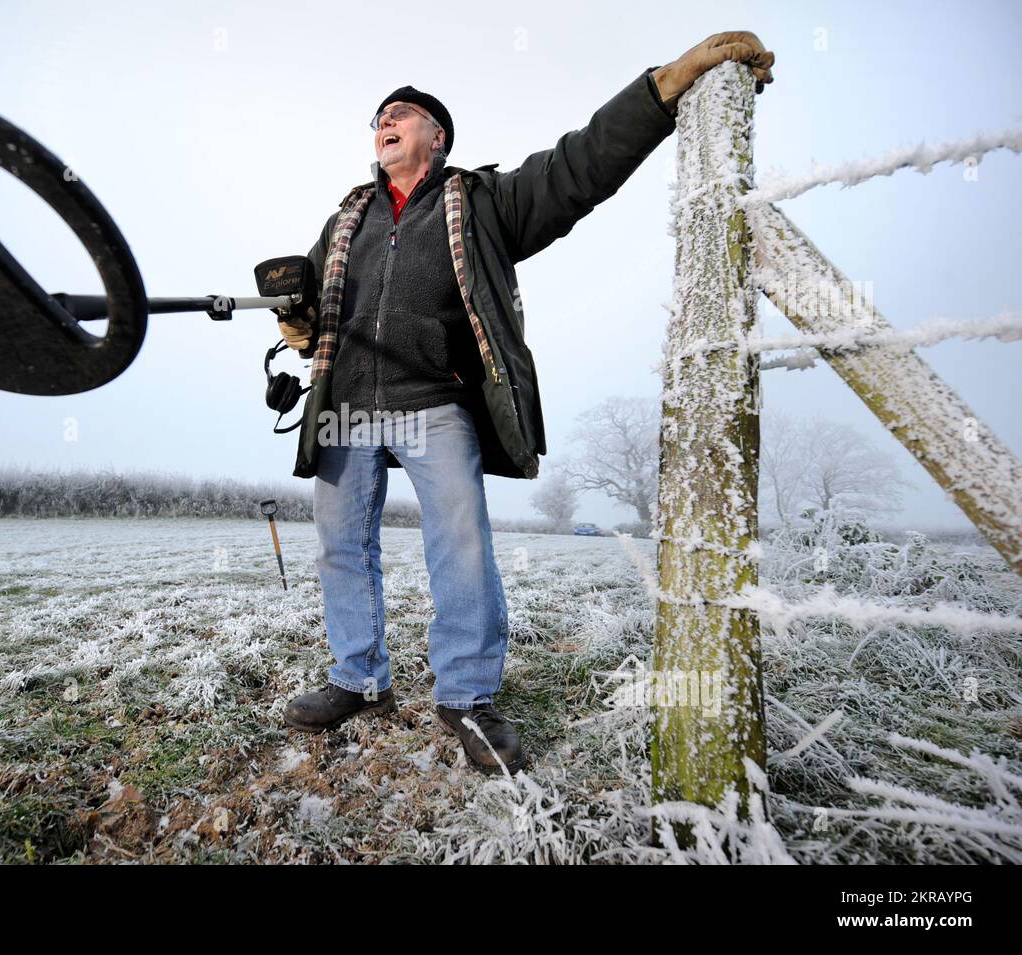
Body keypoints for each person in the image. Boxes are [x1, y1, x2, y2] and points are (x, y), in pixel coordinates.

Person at [277, 33, 775, 774]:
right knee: (340, 548)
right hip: (345, 404)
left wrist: (663, 88)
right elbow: (312, 301)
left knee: (462, 545)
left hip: (433, 403)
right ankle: (358, 676)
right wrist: (295, 321)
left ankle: (467, 695)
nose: (386, 119)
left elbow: (579, 166)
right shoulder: (345, 219)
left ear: (436, 138)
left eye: (403, 113)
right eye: (379, 115)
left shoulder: (480, 203)